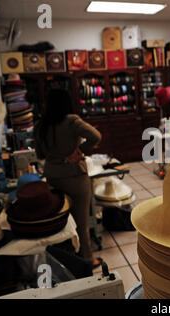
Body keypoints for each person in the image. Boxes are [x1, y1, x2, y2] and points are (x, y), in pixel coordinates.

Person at [34, 89, 102, 268]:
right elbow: (96, 136)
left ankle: (65, 259)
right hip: (75, 177)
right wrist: (80, 152)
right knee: (81, 220)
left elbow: (40, 154)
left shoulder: (40, 126)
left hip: (53, 177)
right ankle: (87, 258)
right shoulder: (72, 121)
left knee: (61, 218)